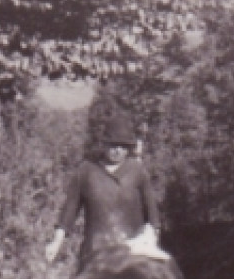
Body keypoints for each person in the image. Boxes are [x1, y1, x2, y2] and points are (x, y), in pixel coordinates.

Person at [45, 111, 162, 270]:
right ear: (104, 144)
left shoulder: (138, 172)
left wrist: (150, 242)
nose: (117, 150)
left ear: (129, 148)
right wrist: (56, 243)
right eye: (113, 145)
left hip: (132, 254)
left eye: (123, 146)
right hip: (94, 255)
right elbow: (68, 214)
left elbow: (153, 218)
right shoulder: (86, 171)